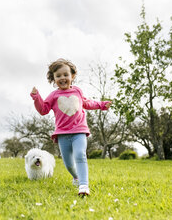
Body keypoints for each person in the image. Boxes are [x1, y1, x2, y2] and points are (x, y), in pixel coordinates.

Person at [30, 58, 112, 196]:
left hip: (79, 131)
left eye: (66, 75)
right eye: (58, 76)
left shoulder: (77, 92)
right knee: (68, 164)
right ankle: (76, 177)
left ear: (72, 76)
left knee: (80, 155)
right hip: (62, 134)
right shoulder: (53, 95)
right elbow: (43, 109)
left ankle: (84, 186)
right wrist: (36, 97)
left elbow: (87, 103)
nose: (62, 78)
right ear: (53, 79)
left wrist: (102, 105)